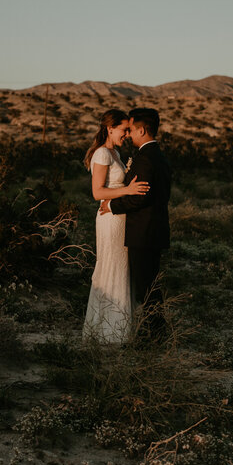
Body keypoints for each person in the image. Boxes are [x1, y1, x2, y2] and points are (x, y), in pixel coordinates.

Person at [103, 108, 171, 342]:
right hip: (156, 229)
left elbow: (139, 196)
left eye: (131, 129)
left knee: (146, 289)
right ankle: (156, 332)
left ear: (142, 130)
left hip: (144, 231)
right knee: (150, 285)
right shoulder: (159, 156)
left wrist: (111, 206)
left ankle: (155, 336)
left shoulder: (145, 159)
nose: (129, 134)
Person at [82, 109, 149, 343]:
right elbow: (97, 192)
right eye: (124, 130)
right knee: (110, 266)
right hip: (109, 219)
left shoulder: (115, 152)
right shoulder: (102, 154)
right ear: (110, 129)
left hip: (119, 218)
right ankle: (106, 333)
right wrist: (128, 190)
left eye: (129, 130)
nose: (127, 134)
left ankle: (119, 330)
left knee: (121, 269)